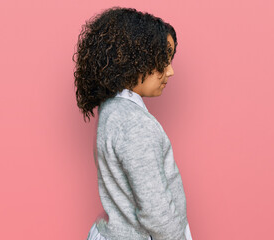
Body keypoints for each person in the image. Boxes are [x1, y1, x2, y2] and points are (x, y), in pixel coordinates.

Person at [72, 6, 193, 240]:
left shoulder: (112, 111)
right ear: (133, 61)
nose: (170, 72)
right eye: (162, 61)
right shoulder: (134, 124)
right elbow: (155, 210)